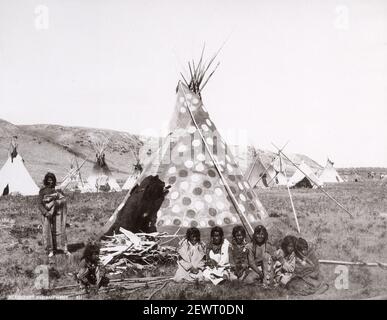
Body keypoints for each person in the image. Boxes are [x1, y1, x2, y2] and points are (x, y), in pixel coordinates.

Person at [38, 172, 70, 257]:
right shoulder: (42, 191)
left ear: (54, 181)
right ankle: (50, 250)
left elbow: (63, 200)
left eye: (52, 180)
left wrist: (56, 202)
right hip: (47, 215)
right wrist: (46, 212)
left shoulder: (58, 190)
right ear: (46, 181)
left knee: (59, 230)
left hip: (57, 214)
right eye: (49, 180)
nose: (50, 182)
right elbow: (40, 204)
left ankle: (62, 248)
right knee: (47, 232)